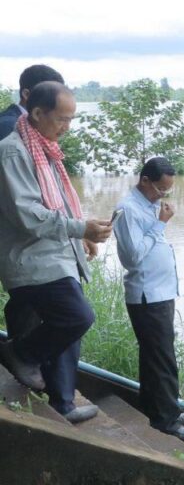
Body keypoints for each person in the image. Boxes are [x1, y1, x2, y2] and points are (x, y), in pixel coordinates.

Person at [0, 81, 113, 423]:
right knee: (77, 316)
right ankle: (19, 353)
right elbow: (28, 214)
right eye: (62, 119)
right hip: (32, 259)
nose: (67, 127)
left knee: (69, 329)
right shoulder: (14, 151)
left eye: (71, 119)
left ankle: (63, 404)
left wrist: (81, 233)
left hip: (56, 255)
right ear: (36, 113)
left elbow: (59, 201)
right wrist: (80, 228)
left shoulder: (43, 147)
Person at [113, 157, 184, 442]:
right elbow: (132, 257)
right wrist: (161, 224)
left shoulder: (149, 205)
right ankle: (168, 421)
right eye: (160, 189)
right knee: (163, 359)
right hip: (147, 295)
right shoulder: (128, 209)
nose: (163, 195)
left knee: (154, 357)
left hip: (160, 293)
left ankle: (156, 409)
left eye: (167, 191)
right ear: (145, 180)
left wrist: (158, 218)